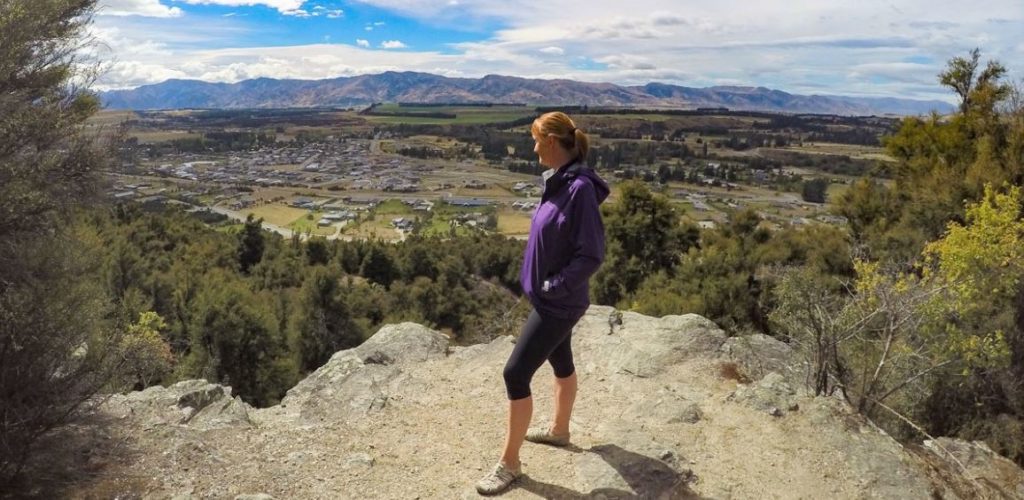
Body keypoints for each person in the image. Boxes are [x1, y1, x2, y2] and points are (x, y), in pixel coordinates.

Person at [476, 112, 609, 495]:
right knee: (561, 361)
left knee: (515, 374)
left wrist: (553, 285)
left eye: (535, 140)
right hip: (556, 301)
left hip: (558, 304)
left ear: (551, 141)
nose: (532, 147)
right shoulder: (561, 182)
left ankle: (510, 464)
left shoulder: (578, 189)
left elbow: (592, 254)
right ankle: (560, 431)